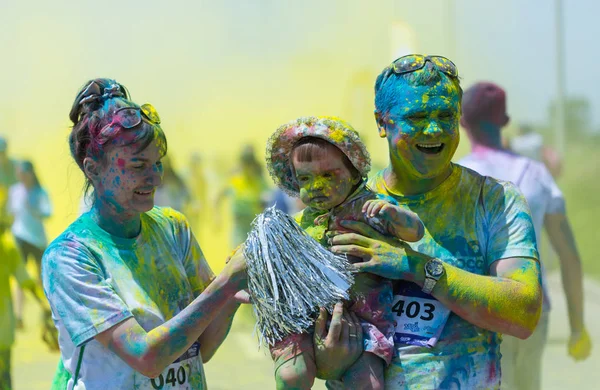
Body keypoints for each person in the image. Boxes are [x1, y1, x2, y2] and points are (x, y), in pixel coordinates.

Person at [319, 55, 543, 389]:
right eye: (418, 117)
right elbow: (314, 339)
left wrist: (414, 267)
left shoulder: (494, 200)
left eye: (445, 115)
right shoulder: (345, 207)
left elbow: (523, 313)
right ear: (382, 123)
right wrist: (325, 361)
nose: (434, 129)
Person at [41, 78, 249, 390]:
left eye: (157, 164)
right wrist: (224, 285)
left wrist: (232, 296)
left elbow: (201, 348)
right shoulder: (71, 256)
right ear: (93, 169)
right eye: (138, 165)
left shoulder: (172, 228)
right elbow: (145, 357)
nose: (154, 178)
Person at [266, 116, 425, 389]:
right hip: (306, 321)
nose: (316, 186)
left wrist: (396, 215)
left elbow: (416, 232)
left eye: (329, 175)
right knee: (291, 376)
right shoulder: (302, 221)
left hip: (364, 327)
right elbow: (273, 255)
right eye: (305, 178)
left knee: (369, 385)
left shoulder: (370, 209)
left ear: (353, 172)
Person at [458, 81, 591, 390]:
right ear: (504, 122)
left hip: (474, 309)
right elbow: (569, 256)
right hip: (531, 308)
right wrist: (576, 328)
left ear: (462, 121)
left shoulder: (455, 177)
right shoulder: (536, 174)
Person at [9, 161, 52, 318]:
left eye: (24, 174)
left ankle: (45, 310)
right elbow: (11, 213)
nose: (22, 177)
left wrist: (34, 209)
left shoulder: (41, 192)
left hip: (38, 240)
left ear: (31, 173)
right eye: (20, 174)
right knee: (21, 277)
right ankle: (19, 314)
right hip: (20, 237)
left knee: (41, 277)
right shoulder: (14, 191)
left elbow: (48, 213)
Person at [215, 144, 269, 248]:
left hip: (255, 226)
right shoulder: (235, 181)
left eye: (249, 165)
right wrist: (217, 216)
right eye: (245, 164)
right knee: (237, 254)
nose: (247, 168)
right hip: (239, 226)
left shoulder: (260, 183)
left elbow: (268, 201)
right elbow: (219, 197)